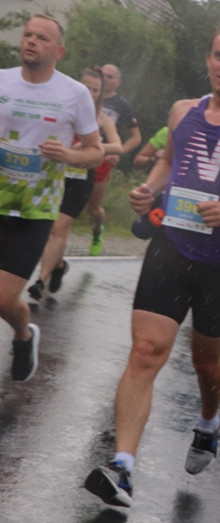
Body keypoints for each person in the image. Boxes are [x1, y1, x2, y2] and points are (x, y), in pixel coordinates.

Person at [83, 23, 220, 508]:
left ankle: (209, 419)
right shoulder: (184, 111)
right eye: (219, 56)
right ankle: (122, 467)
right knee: (145, 351)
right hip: (170, 249)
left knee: (207, 362)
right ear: (208, 60)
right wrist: (150, 190)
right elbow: (172, 160)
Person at [0, 14, 104, 382]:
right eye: (27, 35)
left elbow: (96, 152)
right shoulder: (2, 80)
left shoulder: (74, 94)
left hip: (36, 209)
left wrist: (69, 156)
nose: (31, 41)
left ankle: (24, 333)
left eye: (41, 38)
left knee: (2, 300)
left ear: (58, 51)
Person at [29, 66, 123, 303]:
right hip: (54, 174)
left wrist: (91, 147)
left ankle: (40, 281)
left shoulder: (101, 118)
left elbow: (118, 146)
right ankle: (58, 265)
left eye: (96, 89)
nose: (90, 93)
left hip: (81, 178)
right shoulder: (63, 107)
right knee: (44, 226)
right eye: (86, 88)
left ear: (101, 93)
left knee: (59, 227)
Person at [83, 63, 141, 256]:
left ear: (118, 82)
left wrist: (119, 151)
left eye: (110, 76)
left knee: (93, 207)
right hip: (79, 153)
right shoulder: (83, 94)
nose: (106, 78)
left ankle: (98, 228)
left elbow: (136, 137)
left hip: (103, 158)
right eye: (104, 75)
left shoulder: (121, 105)